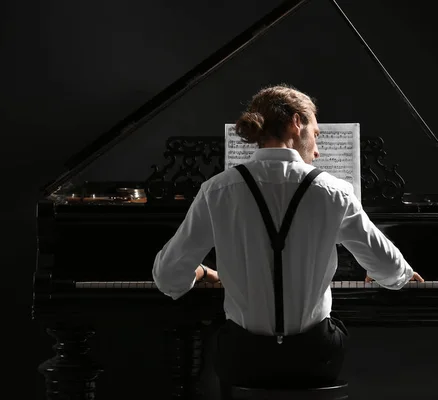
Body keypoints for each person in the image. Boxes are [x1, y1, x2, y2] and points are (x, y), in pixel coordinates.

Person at [152, 84, 424, 394]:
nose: (318, 150)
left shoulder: (217, 190)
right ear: (297, 122)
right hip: (313, 357)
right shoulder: (334, 191)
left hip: (244, 358)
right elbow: (391, 270)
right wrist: (391, 273)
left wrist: (199, 270)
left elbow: (167, 278)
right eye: (316, 135)